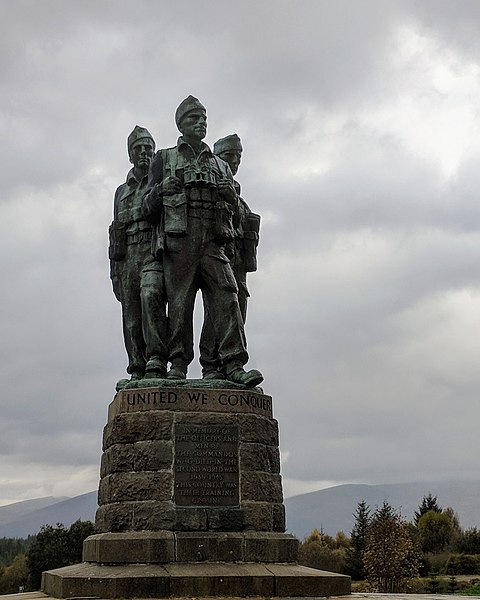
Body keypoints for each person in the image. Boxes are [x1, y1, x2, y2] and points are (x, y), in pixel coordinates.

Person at [142, 96, 263, 387]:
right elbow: (146, 207)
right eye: (194, 118)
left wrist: (229, 195)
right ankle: (178, 365)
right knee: (180, 304)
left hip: (212, 239)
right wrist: (160, 191)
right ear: (181, 124)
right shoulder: (165, 158)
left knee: (226, 295)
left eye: (204, 118)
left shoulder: (220, 165)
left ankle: (231, 364)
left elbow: (236, 212)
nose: (201, 123)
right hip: (180, 238)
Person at [199, 134, 260, 379]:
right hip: (212, 256)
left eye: (238, 157)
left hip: (237, 267)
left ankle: (225, 368)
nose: (234, 161)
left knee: (235, 313)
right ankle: (212, 364)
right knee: (217, 312)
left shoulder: (240, 202)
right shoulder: (210, 192)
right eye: (229, 156)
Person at [109, 126, 167, 383]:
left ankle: (156, 359)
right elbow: (115, 231)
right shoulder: (121, 192)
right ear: (130, 155)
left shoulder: (160, 182)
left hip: (151, 252)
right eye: (138, 149)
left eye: (147, 148)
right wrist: (114, 273)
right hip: (126, 258)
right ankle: (137, 367)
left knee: (150, 296)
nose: (143, 152)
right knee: (131, 317)